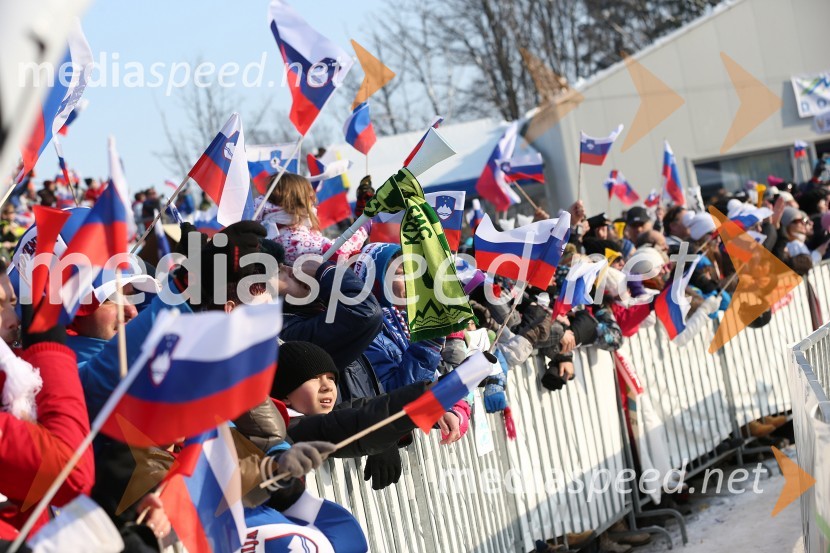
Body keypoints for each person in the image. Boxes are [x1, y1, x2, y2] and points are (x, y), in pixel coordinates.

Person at [0, 263, 94, 537]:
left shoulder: (17, 378)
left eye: (12, 303)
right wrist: (49, 350)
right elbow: (73, 475)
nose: (14, 318)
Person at [254, 172, 368, 265]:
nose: (313, 201)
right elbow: (339, 252)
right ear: (298, 200)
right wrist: (365, 226)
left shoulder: (275, 229)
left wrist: (360, 216)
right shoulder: (292, 239)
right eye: (310, 196)